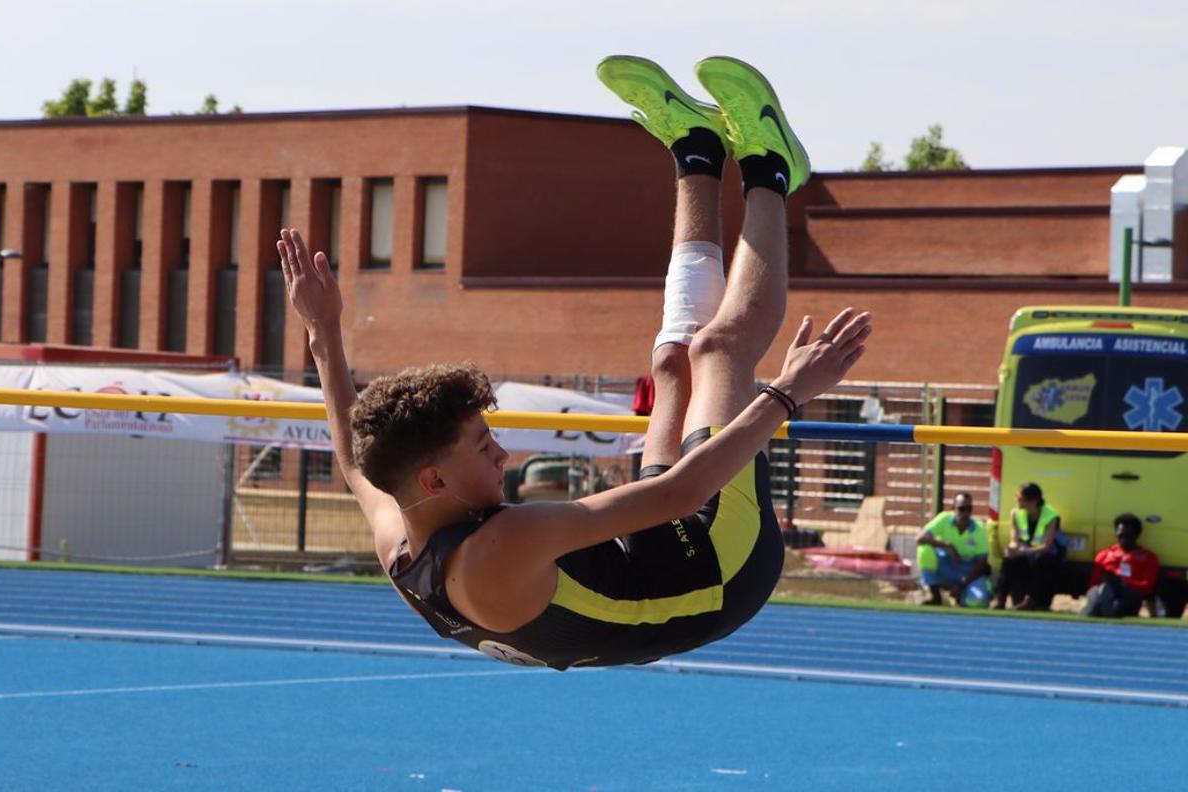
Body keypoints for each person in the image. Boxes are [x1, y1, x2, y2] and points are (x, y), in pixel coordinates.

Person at [276, 55, 872, 670]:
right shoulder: (505, 544)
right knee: (720, 352)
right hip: (717, 578)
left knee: (671, 363)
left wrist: (324, 334)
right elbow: (684, 491)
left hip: (651, 561)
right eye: (483, 447)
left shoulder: (401, 529)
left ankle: (696, 153)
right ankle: (771, 167)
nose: (504, 455)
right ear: (434, 480)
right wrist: (786, 394)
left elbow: (353, 461)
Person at [993, 482, 1065, 611]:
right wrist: (1012, 549)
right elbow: (1014, 539)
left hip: (1048, 554)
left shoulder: (1051, 516)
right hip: (1027, 551)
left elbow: (1046, 547)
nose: (1017, 502)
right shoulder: (1015, 513)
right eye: (1017, 497)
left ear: (1034, 501)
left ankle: (1030, 600)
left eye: (1021, 499)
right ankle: (1000, 599)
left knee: (1041, 562)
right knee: (1008, 560)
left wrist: (1022, 552)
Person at [916, 492, 992, 607]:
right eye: (962, 509)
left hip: (968, 573)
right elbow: (920, 538)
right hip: (946, 566)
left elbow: (982, 563)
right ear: (954, 509)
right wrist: (947, 545)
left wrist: (962, 584)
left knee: (978, 603)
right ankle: (935, 596)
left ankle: (961, 597)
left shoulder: (979, 529)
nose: (965, 513)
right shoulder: (944, 519)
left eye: (969, 509)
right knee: (924, 550)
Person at [1081, 513, 1159, 618]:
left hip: (1129, 593)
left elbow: (1148, 586)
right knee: (1096, 596)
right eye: (1120, 534)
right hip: (1105, 591)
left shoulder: (1148, 558)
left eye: (1128, 535)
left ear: (1136, 535)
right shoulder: (1104, 555)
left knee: (1117, 609)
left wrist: (1126, 583)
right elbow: (1094, 583)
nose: (1123, 538)